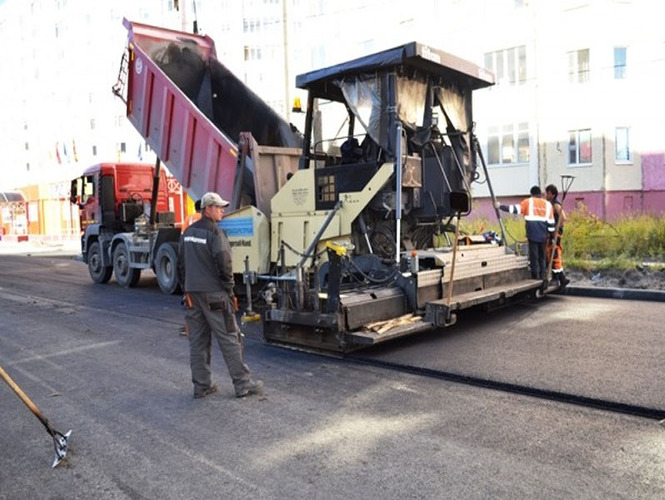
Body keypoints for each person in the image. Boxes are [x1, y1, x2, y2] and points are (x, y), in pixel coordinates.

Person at [177, 192, 263, 399]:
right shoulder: (215, 233)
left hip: (192, 295)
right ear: (207, 209)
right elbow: (225, 265)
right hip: (215, 295)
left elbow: (181, 265)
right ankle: (242, 384)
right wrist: (230, 291)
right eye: (218, 207)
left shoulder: (187, 233)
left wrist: (186, 289)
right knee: (229, 339)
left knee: (197, 341)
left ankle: (201, 386)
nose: (222, 210)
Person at [495, 186, 555, 280]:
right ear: (540, 194)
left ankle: (536, 276)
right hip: (544, 235)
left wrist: (500, 206)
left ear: (531, 194)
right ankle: (543, 275)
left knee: (534, 256)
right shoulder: (548, 205)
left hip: (532, 233)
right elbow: (551, 223)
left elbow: (514, 209)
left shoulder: (528, 202)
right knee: (542, 256)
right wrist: (552, 237)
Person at [545, 184, 570, 288]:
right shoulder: (551, 203)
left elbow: (563, 218)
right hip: (552, 233)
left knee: (554, 254)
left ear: (553, 194)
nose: (546, 195)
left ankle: (561, 278)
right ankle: (558, 278)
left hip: (555, 233)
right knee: (551, 253)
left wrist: (556, 230)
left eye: (548, 193)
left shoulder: (556, 204)